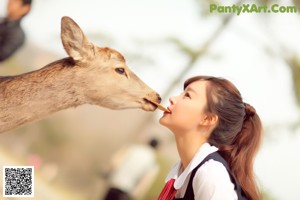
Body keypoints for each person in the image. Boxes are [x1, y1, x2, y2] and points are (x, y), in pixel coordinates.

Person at [158, 75, 262, 200]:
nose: (172, 99)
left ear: (207, 119)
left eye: (187, 95)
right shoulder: (183, 170)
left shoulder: (210, 175)